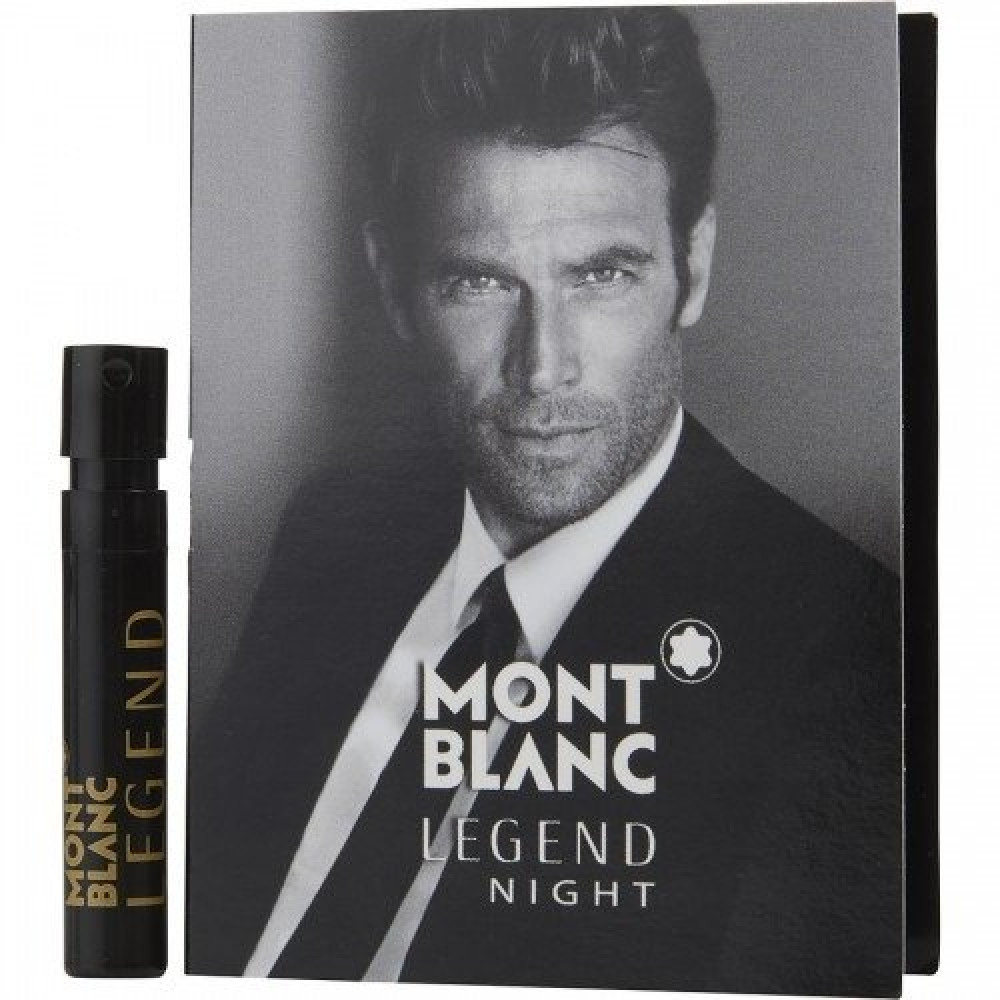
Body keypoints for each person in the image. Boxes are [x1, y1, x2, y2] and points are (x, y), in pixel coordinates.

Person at [187, 9, 901, 996]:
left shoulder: (847, 650)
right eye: (481, 282)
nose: (543, 367)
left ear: (692, 267)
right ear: (393, 285)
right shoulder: (334, 528)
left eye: (601, 275)